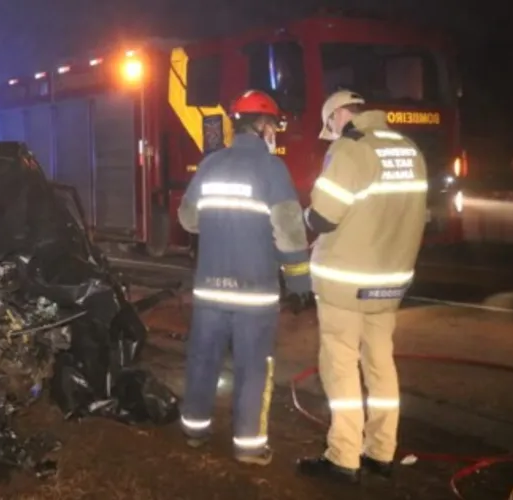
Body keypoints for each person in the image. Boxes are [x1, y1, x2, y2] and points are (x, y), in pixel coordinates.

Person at [296, 90, 429, 483]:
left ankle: (343, 457)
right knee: (381, 364)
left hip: (346, 282)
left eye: (330, 124)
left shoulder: (350, 149)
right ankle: (381, 451)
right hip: (389, 282)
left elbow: (323, 216)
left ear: (339, 115)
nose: (332, 132)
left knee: (340, 366)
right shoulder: (408, 149)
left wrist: (304, 216)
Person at [177, 90, 312, 466]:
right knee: (252, 369)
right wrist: (299, 283)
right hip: (255, 296)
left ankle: (194, 430)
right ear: (264, 126)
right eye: (274, 128)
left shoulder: (210, 164)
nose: (275, 134)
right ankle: (248, 446)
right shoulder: (272, 169)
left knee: (202, 360)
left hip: (209, 291)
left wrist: (222, 221)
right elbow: (290, 233)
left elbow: (187, 219)